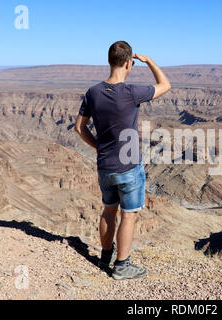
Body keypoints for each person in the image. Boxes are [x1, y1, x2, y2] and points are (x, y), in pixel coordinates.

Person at [74, 41, 171, 280]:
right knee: (129, 215)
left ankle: (105, 257)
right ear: (129, 63)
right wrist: (149, 61)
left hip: (104, 165)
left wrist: (98, 146)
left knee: (109, 212)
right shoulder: (131, 92)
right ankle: (122, 266)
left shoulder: (93, 92)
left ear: (109, 61)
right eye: (132, 64)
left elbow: (79, 127)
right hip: (128, 167)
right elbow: (165, 85)